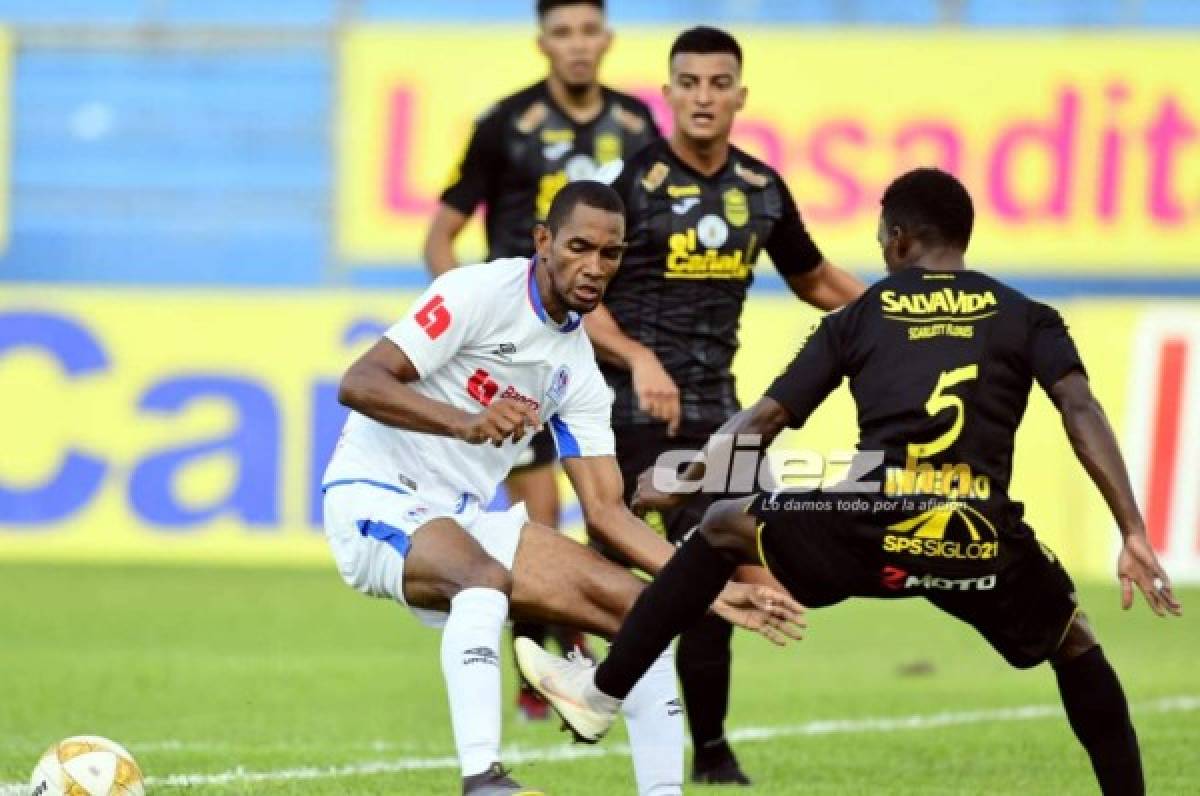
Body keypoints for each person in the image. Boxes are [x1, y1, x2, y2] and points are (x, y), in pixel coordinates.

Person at [517, 168, 1182, 796]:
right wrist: (1131, 530)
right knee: (1075, 640)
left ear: (897, 238)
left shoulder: (863, 315)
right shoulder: (1025, 316)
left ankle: (601, 693)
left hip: (872, 521)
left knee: (721, 527)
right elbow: (1082, 410)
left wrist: (684, 478)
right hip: (976, 536)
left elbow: (767, 417)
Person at [325, 182, 801, 796]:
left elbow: (606, 512)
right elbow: (360, 380)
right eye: (579, 247)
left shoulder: (578, 371)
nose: (594, 267)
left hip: (462, 520)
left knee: (645, 614)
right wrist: (466, 423)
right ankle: (483, 780)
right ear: (544, 241)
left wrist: (705, 592)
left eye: (611, 254)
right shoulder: (475, 293)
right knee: (482, 579)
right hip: (373, 496)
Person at [584, 25, 864, 784]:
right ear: (667, 91)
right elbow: (584, 296)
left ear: (740, 94)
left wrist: (902, 310)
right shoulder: (631, 185)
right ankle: (587, 665)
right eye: (689, 82)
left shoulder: (760, 189)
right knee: (678, 558)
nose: (703, 96)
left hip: (721, 415)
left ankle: (703, 745)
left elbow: (816, 280)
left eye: (718, 83)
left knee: (720, 556)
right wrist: (639, 358)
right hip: (631, 411)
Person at [423, 0, 661, 719]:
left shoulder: (637, 127)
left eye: (589, 30)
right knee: (541, 523)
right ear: (543, 42)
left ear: (607, 39)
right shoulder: (506, 124)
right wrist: (455, 312)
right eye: (563, 32)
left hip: (593, 343)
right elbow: (442, 233)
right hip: (514, 348)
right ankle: (541, 672)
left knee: (608, 511)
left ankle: (588, 658)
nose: (578, 45)